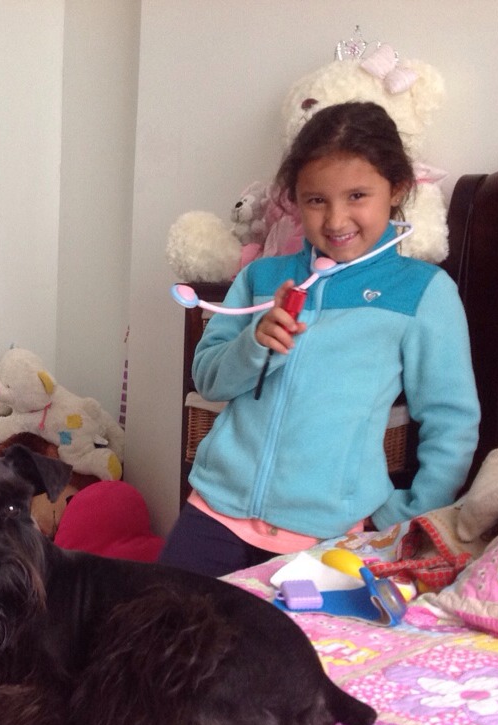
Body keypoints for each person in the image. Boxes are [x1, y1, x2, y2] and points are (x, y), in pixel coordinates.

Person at [159, 101, 480, 578]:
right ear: (295, 199)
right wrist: (254, 345)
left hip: (327, 534)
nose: (336, 220)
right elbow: (207, 378)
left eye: (357, 196)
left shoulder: (422, 293)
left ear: (397, 189)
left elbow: (451, 420)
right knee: (160, 619)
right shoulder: (262, 277)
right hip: (215, 510)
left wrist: (407, 518)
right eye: (316, 200)